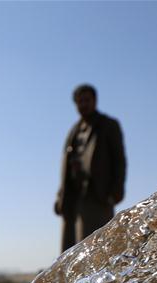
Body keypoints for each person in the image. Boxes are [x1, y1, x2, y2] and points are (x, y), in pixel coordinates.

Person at [54, 84, 127, 252]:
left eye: (87, 100)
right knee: (70, 255)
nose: (83, 104)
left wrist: (115, 192)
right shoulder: (73, 131)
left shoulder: (108, 125)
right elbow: (66, 169)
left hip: (98, 197)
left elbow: (119, 160)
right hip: (73, 199)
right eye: (80, 101)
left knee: (95, 251)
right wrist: (60, 197)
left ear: (95, 101)